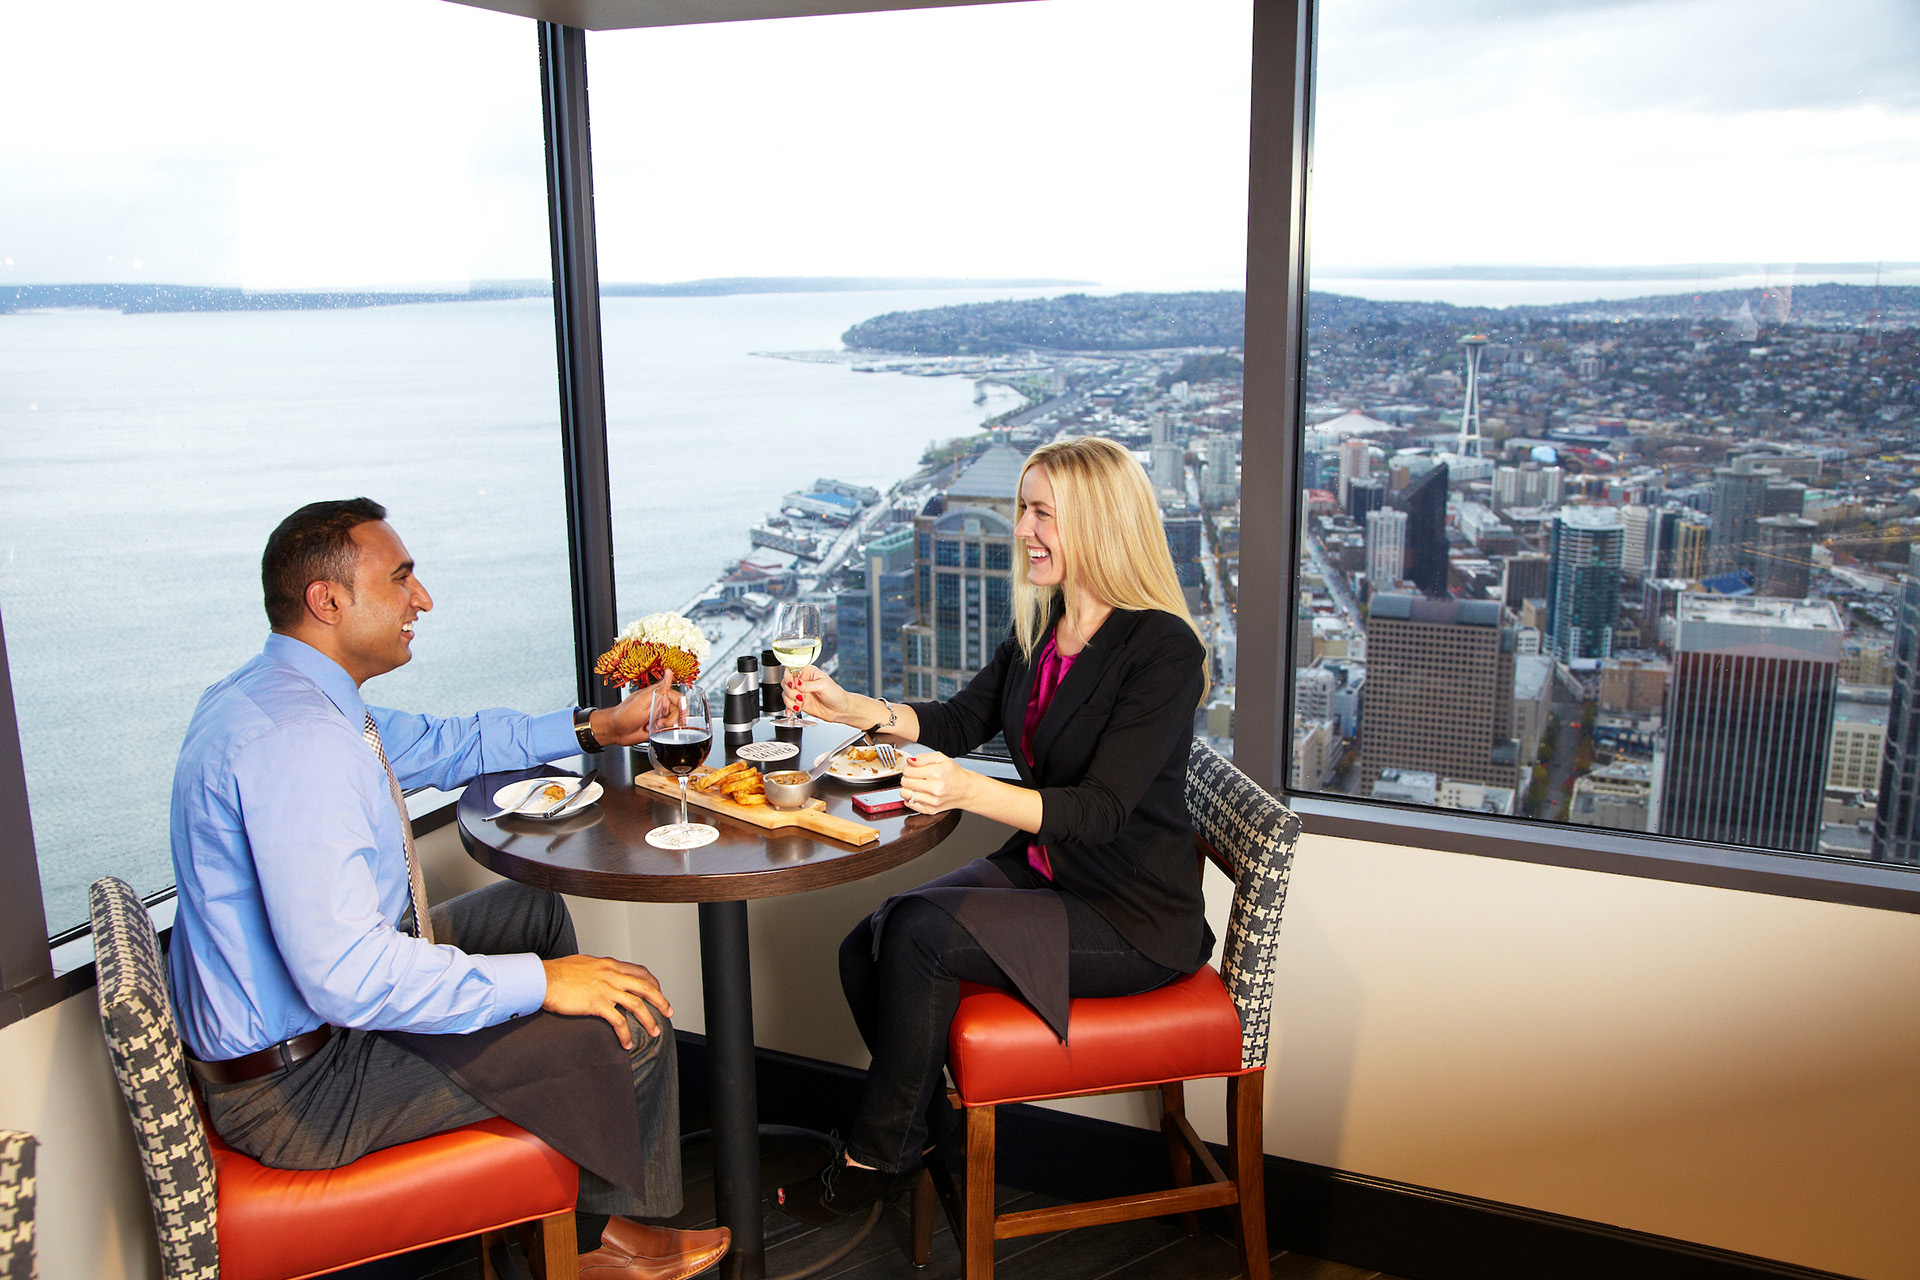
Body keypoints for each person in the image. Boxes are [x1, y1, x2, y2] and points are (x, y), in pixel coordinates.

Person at [167, 498, 729, 1280]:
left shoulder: (282, 697)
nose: (422, 600)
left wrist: (599, 728)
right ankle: (595, 1249)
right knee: (632, 1022)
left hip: (310, 1032)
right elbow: (348, 977)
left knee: (529, 907)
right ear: (328, 601)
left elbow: (446, 744)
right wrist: (544, 983)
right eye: (401, 579)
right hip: (307, 1087)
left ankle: (580, 1218)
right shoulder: (299, 745)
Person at [779, 436, 1212, 1218]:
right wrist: (853, 709)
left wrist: (967, 791)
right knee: (864, 943)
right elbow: (959, 719)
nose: (1022, 529)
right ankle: (922, 1136)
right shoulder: (1043, 624)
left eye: (1041, 513)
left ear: (1097, 520)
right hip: (1055, 875)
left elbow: (1100, 810)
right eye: (1022, 509)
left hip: (1131, 914)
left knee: (917, 936)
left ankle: (878, 1159)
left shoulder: (1162, 650)